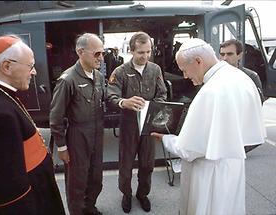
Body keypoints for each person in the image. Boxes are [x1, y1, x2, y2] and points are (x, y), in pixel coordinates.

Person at [152, 38, 266, 215]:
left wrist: (167, 139)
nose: (185, 76)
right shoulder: (240, 77)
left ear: (198, 61)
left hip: (208, 173)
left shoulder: (211, 91)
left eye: (184, 69)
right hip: (232, 165)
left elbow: (189, 149)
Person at [0, 35, 65, 214]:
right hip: (31, 193)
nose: (34, 72)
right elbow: (10, 186)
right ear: (7, 66)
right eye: (30, 66)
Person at [107, 31, 168, 213]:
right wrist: (123, 102)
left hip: (148, 125)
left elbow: (162, 93)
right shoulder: (120, 72)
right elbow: (110, 95)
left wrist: (155, 107)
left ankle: (143, 194)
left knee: (147, 163)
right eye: (141, 52)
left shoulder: (155, 70)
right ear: (132, 51)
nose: (145, 56)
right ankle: (126, 194)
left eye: (148, 52)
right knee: (125, 164)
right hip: (128, 125)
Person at [49, 33, 105, 215]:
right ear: (81, 52)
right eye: (97, 54)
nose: (101, 58)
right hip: (77, 135)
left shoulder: (99, 76)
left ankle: (89, 208)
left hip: (97, 132)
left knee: (96, 178)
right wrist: (62, 146)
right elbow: (55, 117)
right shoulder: (68, 80)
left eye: (102, 53)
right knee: (77, 182)